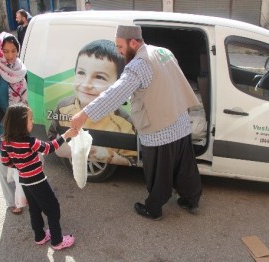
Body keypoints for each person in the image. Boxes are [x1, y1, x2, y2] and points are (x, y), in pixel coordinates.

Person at [71, 25, 203, 220]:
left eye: (120, 46)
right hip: (180, 120)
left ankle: (154, 208)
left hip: (159, 130)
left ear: (133, 42)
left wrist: (84, 114)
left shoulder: (138, 65)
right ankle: (191, 200)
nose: (118, 51)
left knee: (159, 174)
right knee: (185, 167)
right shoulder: (163, 52)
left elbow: (114, 94)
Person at [1, 103, 77, 250]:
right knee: (53, 209)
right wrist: (66, 135)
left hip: (25, 181)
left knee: (34, 209)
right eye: (30, 119)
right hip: (38, 181)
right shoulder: (31, 142)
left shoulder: (6, 142)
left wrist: (21, 166)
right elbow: (49, 148)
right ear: (21, 123)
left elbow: (6, 162)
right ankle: (57, 241)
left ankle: (40, 236)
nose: (33, 122)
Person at [48, 39, 136, 166]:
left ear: (118, 84)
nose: (86, 84)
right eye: (81, 73)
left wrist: (111, 157)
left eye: (99, 77)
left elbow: (133, 160)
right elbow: (52, 134)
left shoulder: (125, 123)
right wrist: (59, 147)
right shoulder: (63, 107)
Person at [0, 32, 28, 214]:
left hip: (19, 124)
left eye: (14, 51)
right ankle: (12, 201)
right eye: (6, 51)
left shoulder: (21, 69)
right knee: (4, 166)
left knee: (21, 164)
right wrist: (7, 121)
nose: (10, 55)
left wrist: (23, 122)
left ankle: (23, 196)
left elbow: (25, 98)